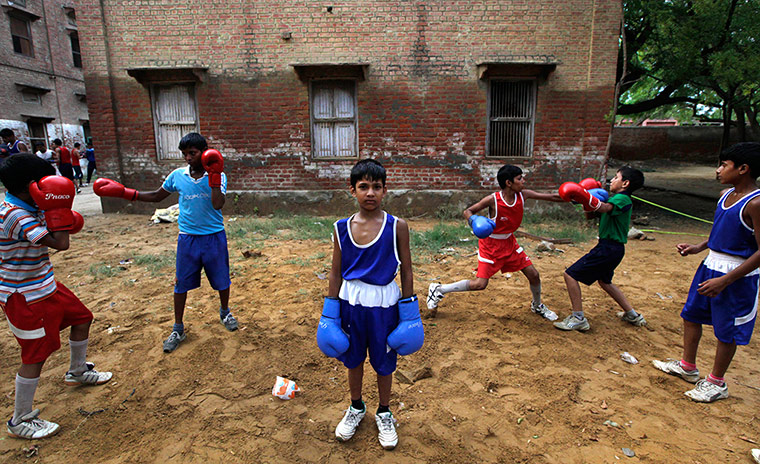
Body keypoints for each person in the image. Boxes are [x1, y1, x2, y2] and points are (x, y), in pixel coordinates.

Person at [0, 154, 112, 440]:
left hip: (44, 283)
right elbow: (61, 243)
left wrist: (56, 211)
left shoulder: (29, 205)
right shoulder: (14, 214)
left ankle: (76, 371)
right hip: (24, 295)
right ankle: (20, 419)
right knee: (36, 353)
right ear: (31, 187)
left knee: (82, 318)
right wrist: (60, 207)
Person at [92, 132, 237, 353]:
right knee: (181, 284)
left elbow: (218, 204)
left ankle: (225, 312)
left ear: (204, 152)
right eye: (184, 154)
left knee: (221, 280)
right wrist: (126, 193)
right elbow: (157, 196)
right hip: (187, 238)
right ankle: (178, 328)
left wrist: (214, 177)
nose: (188, 158)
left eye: (192, 153)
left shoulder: (218, 175)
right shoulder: (178, 175)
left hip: (214, 236)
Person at [318, 159, 420, 450]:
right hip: (351, 302)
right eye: (364, 186)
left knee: (384, 360)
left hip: (385, 303)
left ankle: (385, 412)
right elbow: (336, 271)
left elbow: (408, 269)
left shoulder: (397, 226)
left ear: (385, 190)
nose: (370, 192)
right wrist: (330, 313)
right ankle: (356, 406)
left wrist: (409, 313)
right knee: (352, 357)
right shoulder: (341, 228)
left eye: (377, 187)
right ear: (352, 190)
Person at [653, 142, 760, 403]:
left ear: (743, 169)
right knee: (691, 315)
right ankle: (688, 366)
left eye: (724, 165)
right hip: (710, 265)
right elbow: (721, 231)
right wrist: (698, 247)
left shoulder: (756, 203)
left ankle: (717, 382)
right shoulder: (726, 195)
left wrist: (726, 280)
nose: (718, 170)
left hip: (736, 276)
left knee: (726, 330)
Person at [426, 164, 564, 320]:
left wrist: (579, 196)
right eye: (519, 178)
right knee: (480, 284)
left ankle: (537, 305)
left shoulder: (523, 195)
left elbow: (552, 197)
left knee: (533, 274)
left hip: (510, 243)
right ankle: (439, 289)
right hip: (490, 246)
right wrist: (475, 222)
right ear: (508, 183)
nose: (523, 181)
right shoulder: (493, 200)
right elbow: (467, 211)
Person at [553, 167, 646, 332]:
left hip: (608, 248)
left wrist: (584, 194)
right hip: (611, 248)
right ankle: (632, 314)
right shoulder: (614, 199)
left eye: (616, 177)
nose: (611, 180)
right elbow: (591, 215)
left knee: (570, 275)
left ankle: (578, 318)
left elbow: (603, 209)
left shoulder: (622, 199)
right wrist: (584, 201)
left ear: (625, 183)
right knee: (605, 282)